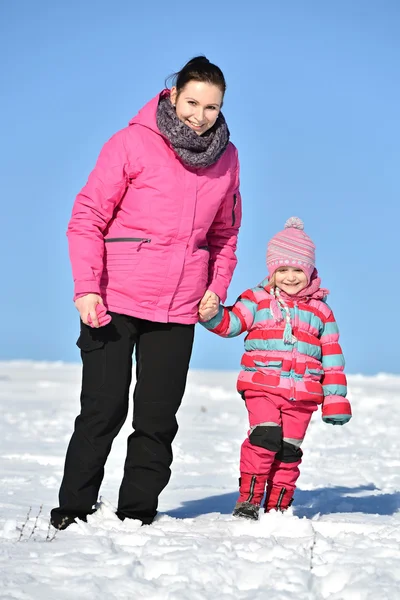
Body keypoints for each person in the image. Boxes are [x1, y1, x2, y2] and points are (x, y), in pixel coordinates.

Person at [50, 56, 242, 530]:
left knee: (157, 419)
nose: (200, 115)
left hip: (179, 308)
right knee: (103, 408)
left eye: (212, 107)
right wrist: (86, 289)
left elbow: (225, 235)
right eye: (192, 102)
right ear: (173, 96)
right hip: (113, 300)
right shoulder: (131, 142)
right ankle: (72, 512)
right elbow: (87, 217)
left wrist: (215, 289)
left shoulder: (228, 158)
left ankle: (137, 515)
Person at [199, 217, 351, 521]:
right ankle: (249, 500)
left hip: (303, 396)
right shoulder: (257, 299)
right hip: (262, 386)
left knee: (288, 450)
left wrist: (335, 401)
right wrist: (212, 316)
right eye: (283, 270)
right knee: (264, 437)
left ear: (309, 271)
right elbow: (232, 324)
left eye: (297, 270)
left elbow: (332, 357)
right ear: (272, 271)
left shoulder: (321, 311)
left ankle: (278, 505)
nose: (290, 277)